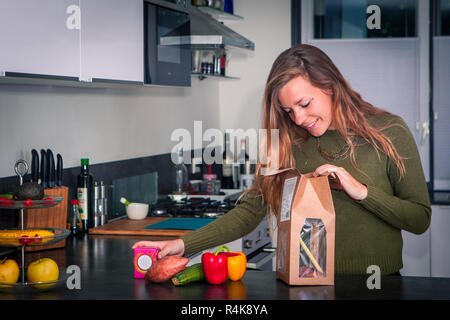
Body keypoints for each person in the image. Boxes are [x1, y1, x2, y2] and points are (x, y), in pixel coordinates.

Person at [133, 44, 431, 275]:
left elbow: (419, 218)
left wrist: (362, 192)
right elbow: (250, 212)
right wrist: (182, 244)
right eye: (289, 111)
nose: (299, 118)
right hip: (308, 285)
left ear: (329, 85)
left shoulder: (389, 130)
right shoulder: (285, 142)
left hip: (379, 285)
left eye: (304, 103)